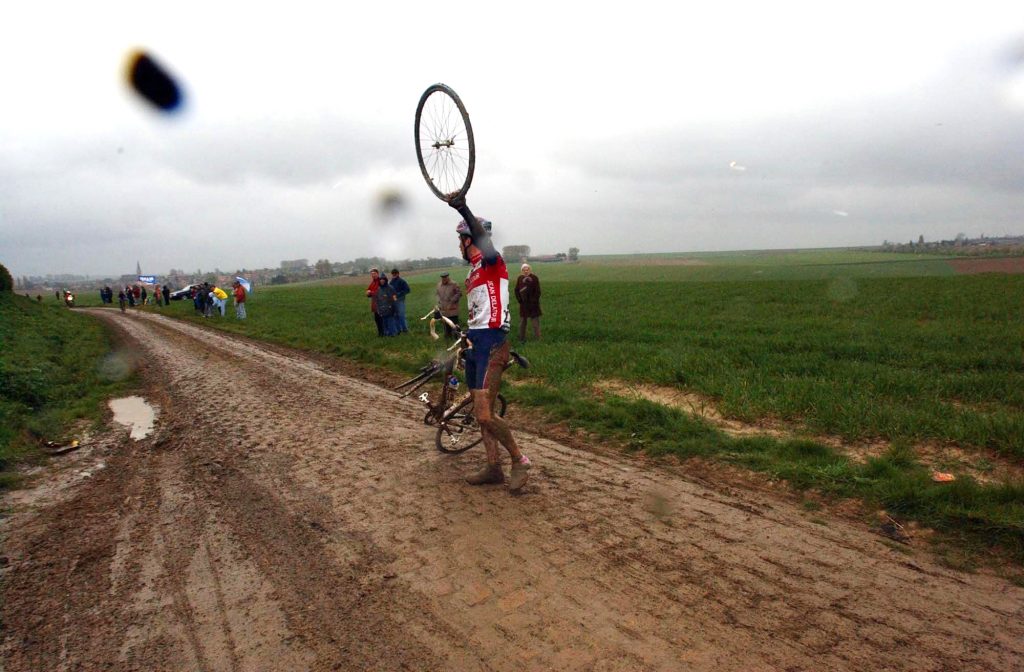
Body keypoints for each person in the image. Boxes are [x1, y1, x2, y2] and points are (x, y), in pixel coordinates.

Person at [456, 217, 531, 492]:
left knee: (486, 414)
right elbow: (480, 309)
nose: (458, 246)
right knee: (480, 413)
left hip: (493, 342)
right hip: (477, 342)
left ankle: (519, 460)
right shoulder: (472, 272)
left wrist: (462, 207)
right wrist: (467, 334)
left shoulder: (492, 261)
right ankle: (493, 467)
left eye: (460, 240)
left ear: (469, 240)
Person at [514, 263, 542, 343]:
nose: (526, 271)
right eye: (524, 270)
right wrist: (520, 300)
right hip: (523, 305)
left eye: (527, 269)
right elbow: (516, 290)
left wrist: (534, 301)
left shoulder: (534, 278)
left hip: (534, 305)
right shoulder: (520, 278)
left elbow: (538, 291)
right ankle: (521, 338)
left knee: (535, 323)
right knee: (522, 322)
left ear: (530, 269)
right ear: (522, 270)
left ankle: (538, 339)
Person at [435, 271, 462, 339]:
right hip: (443, 308)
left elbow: (459, 293)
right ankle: (447, 336)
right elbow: (437, 294)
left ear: (448, 277)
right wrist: (438, 301)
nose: (444, 279)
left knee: (454, 323)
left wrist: (452, 300)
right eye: (443, 278)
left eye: (445, 277)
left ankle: (457, 336)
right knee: (445, 323)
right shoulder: (439, 285)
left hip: (452, 308)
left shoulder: (454, 284)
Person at [389, 268, 411, 333]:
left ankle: (405, 329)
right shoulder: (391, 282)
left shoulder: (402, 281)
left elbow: (407, 290)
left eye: (395, 274)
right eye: (393, 274)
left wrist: (398, 295)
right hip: (393, 302)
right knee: (395, 316)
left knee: (401, 316)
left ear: (398, 274)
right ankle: (398, 330)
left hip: (400, 301)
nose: (394, 275)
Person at [365, 268, 384, 336]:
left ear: (377, 274)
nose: (373, 275)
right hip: (375, 303)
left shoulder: (380, 281)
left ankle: (383, 333)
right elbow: (368, 290)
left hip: (381, 303)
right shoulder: (373, 282)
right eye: (372, 274)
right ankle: (380, 333)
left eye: (374, 274)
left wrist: (370, 293)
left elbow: (380, 292)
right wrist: (367, 293)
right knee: (377, 319)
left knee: (381, 319)